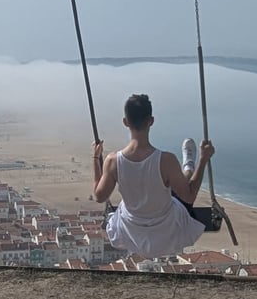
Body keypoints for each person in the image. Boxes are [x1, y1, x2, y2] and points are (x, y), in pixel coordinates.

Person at [91, 93, 215, 257]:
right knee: (177, 187)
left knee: (169, 185)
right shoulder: (166, 160)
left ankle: (186, 168)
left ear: (125, 122)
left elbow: (99, 196)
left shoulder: (113, 161)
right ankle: (189, 165)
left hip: (131, 230)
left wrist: (96, 159)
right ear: (151, 121)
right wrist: (203, 159)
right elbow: (190, 196)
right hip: (165, 229)